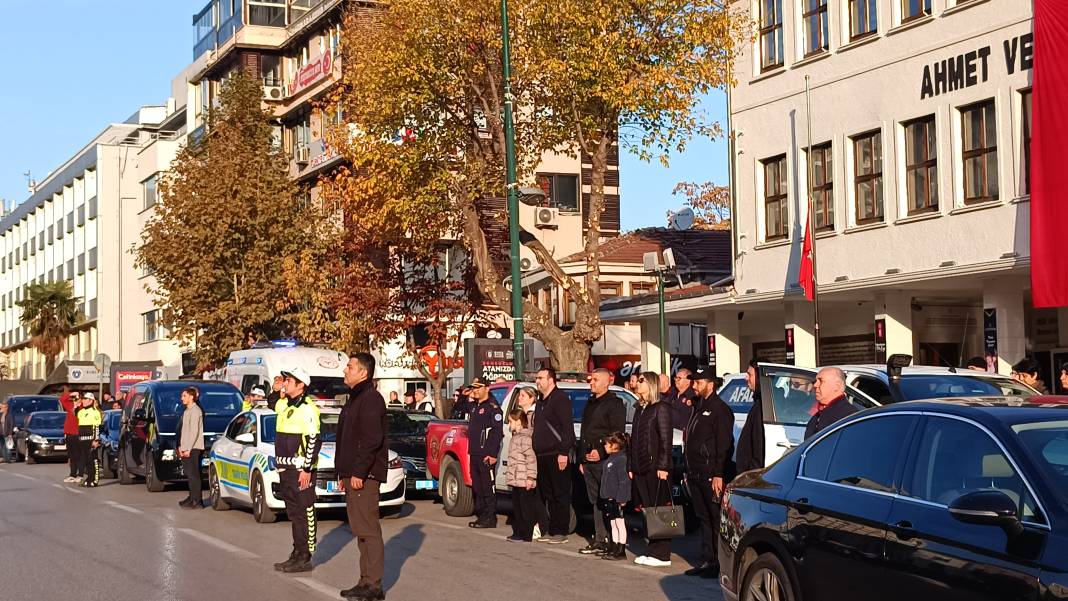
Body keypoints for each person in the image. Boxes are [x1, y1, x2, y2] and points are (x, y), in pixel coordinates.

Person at [336, 353, 389, 601]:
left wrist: (359, 471)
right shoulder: (354, 398)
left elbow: (371, 439)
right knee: (360, 530)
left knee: (368, 529)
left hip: (364, 476)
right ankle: (364, 580)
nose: (345, 370)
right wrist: (342, 472)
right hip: (352, 474)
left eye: (350, 366)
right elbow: (345, 439)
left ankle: (373, 585)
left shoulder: (370, 399)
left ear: (363, 373)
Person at [683, 368, 736, 578]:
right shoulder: (698, 407)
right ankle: (707, 559)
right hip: (695, 472)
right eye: (693, 382)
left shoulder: (720, 409)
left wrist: (718, 473)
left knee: (715, 518)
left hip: (710, 474)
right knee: (703, 517)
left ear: (710, 384)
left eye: (698, 382)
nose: (694, 386)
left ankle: (719, 563)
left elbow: (724, 444)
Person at [272, 366, 322, 574]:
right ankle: (297, 551)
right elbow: (271, 402)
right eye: (285, 379)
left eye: (289, 380)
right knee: (293, 513)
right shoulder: (284, 404)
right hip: (285, 467)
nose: (285, 382)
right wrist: (276, 390)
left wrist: (307, 469)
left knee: (304, 511)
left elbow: (313, 440)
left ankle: (305, 554)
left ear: (301, 385)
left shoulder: (309, 408)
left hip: (301, 468)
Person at [577, 368, 626, 555]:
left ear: (608, 382)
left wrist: (601, 452)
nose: (591, 383)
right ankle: (600, 538)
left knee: (607, 500)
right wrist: (583, 458)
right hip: (588, 462)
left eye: (596, 380)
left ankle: (613, 540)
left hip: (604, 460)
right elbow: (585, 432)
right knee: (595, 500)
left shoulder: (614, 404)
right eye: (591, 379)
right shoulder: (590, 402)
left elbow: (616, 434)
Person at [630, 370, 674, 567]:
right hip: (640, 467)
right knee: (647, 510)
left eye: (641, 381)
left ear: (651, 384)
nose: (637, 384)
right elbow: (635, 440)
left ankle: (662, 553)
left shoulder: (660, 408)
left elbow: (666, 439)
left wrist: (663, 465)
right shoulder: (640, 408)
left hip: (655, 467)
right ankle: (652, 549)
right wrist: (632, 464)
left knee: (659, 509)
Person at [532, 367, 575, 544]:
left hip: (557, 453)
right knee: (548, 494)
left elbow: (567, 429)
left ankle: (560, 531)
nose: (537, 381)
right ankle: (551, 529)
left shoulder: (560, 399)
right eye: (537, 378)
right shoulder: (542, 401)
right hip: (542, 454)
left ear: (551, 380)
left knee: (560, 493)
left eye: (541, 377)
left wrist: (563, 452)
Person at [467, 378, 503, 528]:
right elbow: (461, 406)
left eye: (478, 387)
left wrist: (492, 453)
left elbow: (497, 432)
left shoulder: (492, 407)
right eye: (473, 388)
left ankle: (490, 517)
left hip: (486, 454)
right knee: (478, 486)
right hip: (474, 452)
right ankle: (482, 515)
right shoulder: (475, 407)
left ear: (487, 388)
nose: (475, 390)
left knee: (488, 486)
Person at [505, 408, 537, 542]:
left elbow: (531, 458)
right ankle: (519, 531)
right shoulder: (516, 437)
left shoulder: (525, 438)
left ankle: (526, 533)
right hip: (516, 479)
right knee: (517, 507)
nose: (509, 425)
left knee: (525, 508)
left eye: (511, 422)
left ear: (518, 422)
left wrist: (531, 477)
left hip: (524, 479)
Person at [598, 432, 630, 561]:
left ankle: (621, 549)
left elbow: (624, 481)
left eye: (606, 444)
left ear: (614, 445)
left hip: (617, 497)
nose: (604, 446)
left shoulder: (621, 459)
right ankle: (614, 546)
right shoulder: (610, 459)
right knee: (613, 523)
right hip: (609, 497)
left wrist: (622, 498)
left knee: (619, 522)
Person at [805, 367, 858, 440]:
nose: (815, 385)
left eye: (821, 381)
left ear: (837, 386)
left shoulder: (849, 417)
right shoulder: (817, 416)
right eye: (815, 381)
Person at [177, 387, 205, 509]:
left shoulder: (195, 411)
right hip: (186, 446)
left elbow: (194, 431)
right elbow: (184, 431)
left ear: (191, 397)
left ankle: (197, 501)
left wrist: (188, 448)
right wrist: (181, 446)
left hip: (194, 447)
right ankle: (191, 497)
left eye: (184, 396)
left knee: (194, 474)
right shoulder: (187, 410)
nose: (182, 398)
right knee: (189, 474)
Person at [735, 360, 765, 473]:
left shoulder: (763, 406)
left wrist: (751, 472)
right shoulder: (758, 403)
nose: (746, 378)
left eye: (750, 374)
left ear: (759, 376)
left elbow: (759, 445)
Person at [76, 393, 102, 487]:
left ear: (91, 401)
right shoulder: (81, 412)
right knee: (85, 461)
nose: (83, 400)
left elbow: (97, 427)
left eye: (85, 399)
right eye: (83, 399)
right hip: (82, 440)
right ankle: (88, 478)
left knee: (92, 460)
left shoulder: (95, 412)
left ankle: (94, 480)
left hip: (91, 440)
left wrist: (96, 440)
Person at [61, 388, 81, 482]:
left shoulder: (82, 408)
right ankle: (72, 474)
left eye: (77, 398)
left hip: (78, 433)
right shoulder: (70, 405)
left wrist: (79, 404)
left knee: (78, 455)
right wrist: (71, 394)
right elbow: (62, 400)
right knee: (71, 456)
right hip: (69, 433)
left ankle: (80, 474)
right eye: (74, 398)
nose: (75, 400)